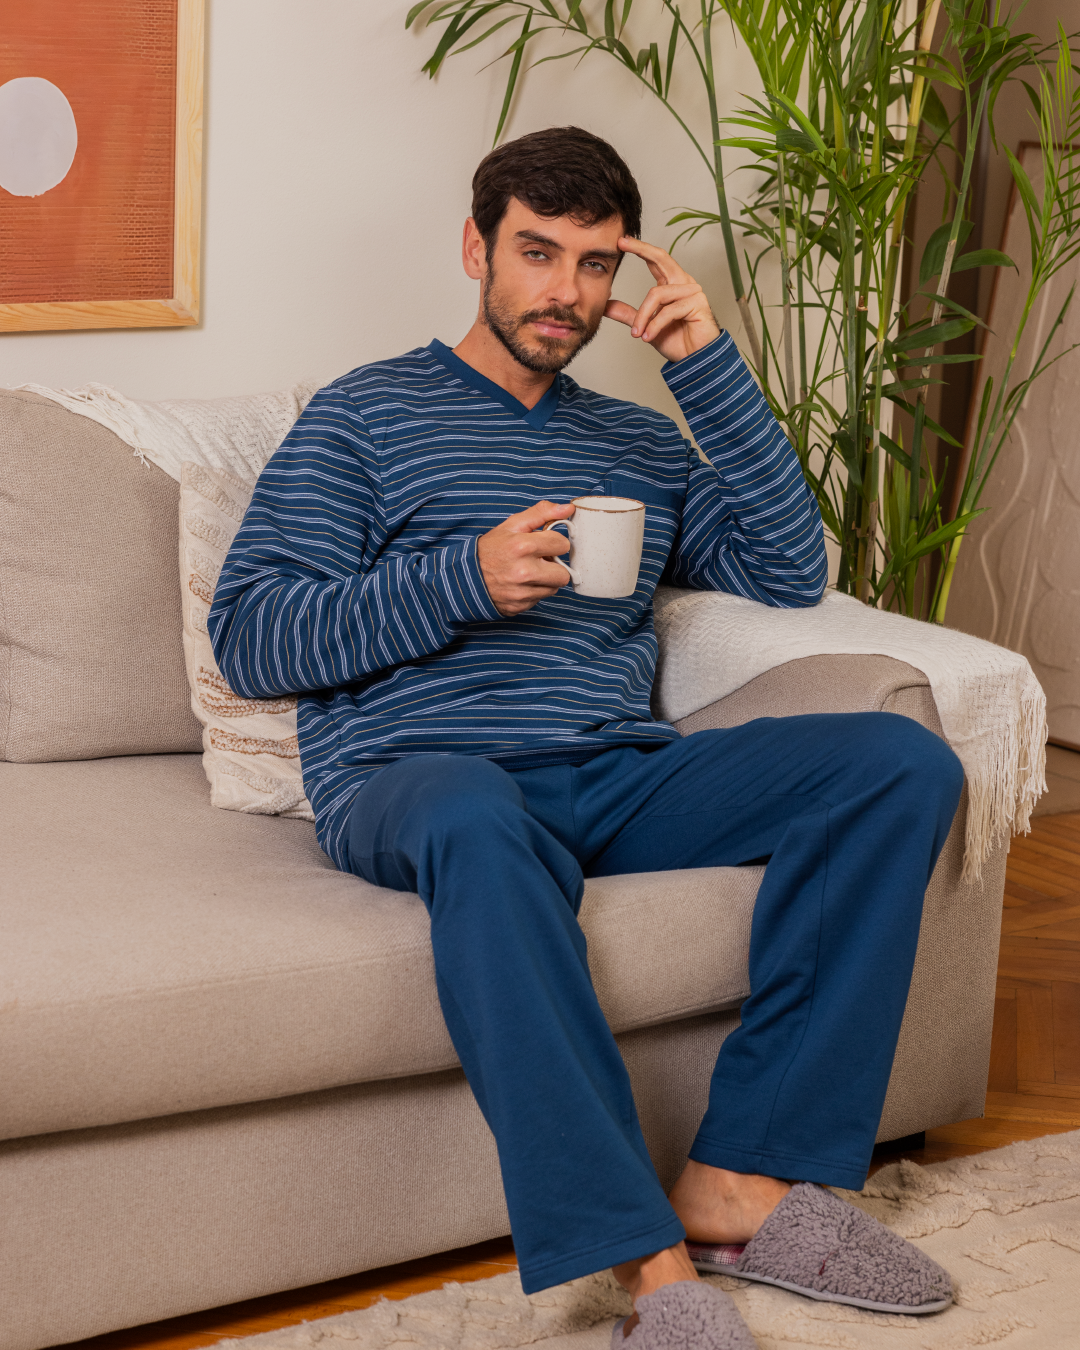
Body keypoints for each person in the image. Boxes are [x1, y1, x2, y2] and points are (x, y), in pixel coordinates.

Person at [210, 126, 964, 1347]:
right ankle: (652, 1270)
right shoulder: (364, 416)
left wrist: (704, 365)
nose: (566, 291)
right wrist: (462, 578)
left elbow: (791, 567)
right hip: (420, 782)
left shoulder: (634, 445)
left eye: (596, 264)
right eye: (538, 253)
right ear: (477, 249)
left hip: (612, 772)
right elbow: (251, 638)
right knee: (476, 815)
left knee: (897, 763)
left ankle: (744, 1181)